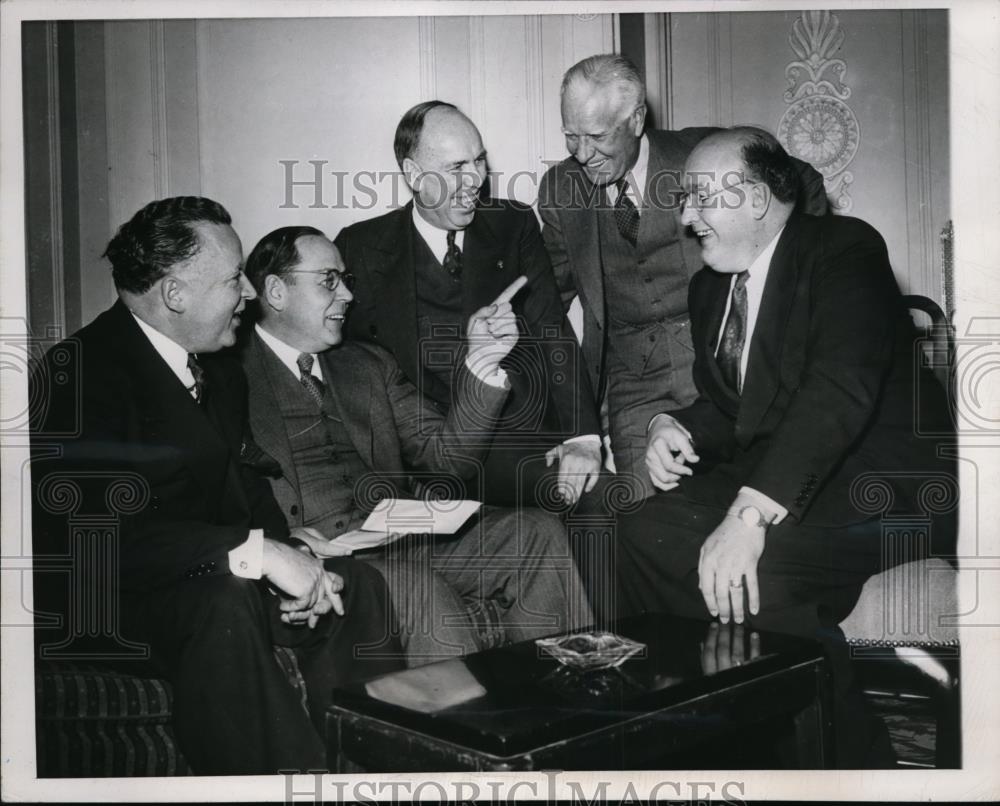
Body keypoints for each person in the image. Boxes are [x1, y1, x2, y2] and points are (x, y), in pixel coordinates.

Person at [614, 128, 956, 765]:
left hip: (891, 481)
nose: (686, 220)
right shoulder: (711, 288)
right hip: (798, 472)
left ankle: (844, 762)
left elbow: (838, 386)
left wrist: (749, 515)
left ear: (753, 197)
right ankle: (714, 733)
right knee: (637, 527)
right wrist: (676, 426)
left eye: (696, 198)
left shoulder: (844, 250)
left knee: (753, 570)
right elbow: (735, 409)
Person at [29, 197, 402, 775]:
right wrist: (258, 554)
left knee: (355, 585)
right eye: (234, 280)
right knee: (224, 596)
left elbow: (245, 487)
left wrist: (295, 556)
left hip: (207, 574)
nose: (249, 294)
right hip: (113, 602)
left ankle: (373, 772)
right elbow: (102, 542)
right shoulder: (78, 374)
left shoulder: (220, 370)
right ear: (175, 294)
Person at [239, 225, 593, 663]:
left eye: (346, 281)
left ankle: (568, 700)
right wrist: (279, 543)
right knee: (419, 589)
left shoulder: (367, 364)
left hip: (399, 536)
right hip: (323, 559)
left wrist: (482, 361)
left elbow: (447, 458)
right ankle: (468, 728)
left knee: (535, 532)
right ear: (275, 291)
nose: (348, 296)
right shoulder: (227, 376)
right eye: (328, 280)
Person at [538, 54, 829, 499]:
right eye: (570, 136)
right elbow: (547, 304)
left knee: (735, 507)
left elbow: (801, 181)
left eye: (597, 137)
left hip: (722, 369)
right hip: (635, 386)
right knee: (644, 521)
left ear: (635, 119)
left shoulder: (703, 154)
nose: (581, 154)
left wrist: (784, 274)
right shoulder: (561, 190)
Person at [335, 101, 603, 508]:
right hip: (429, 452)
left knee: (598, 500)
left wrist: (582, 437)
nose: (475, 179)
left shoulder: (512, 224)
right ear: (414, 175)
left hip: (522, 435)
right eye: (455, 168)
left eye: (479, 161)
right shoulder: (360, 248)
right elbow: (347, 367)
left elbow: (553, 331)